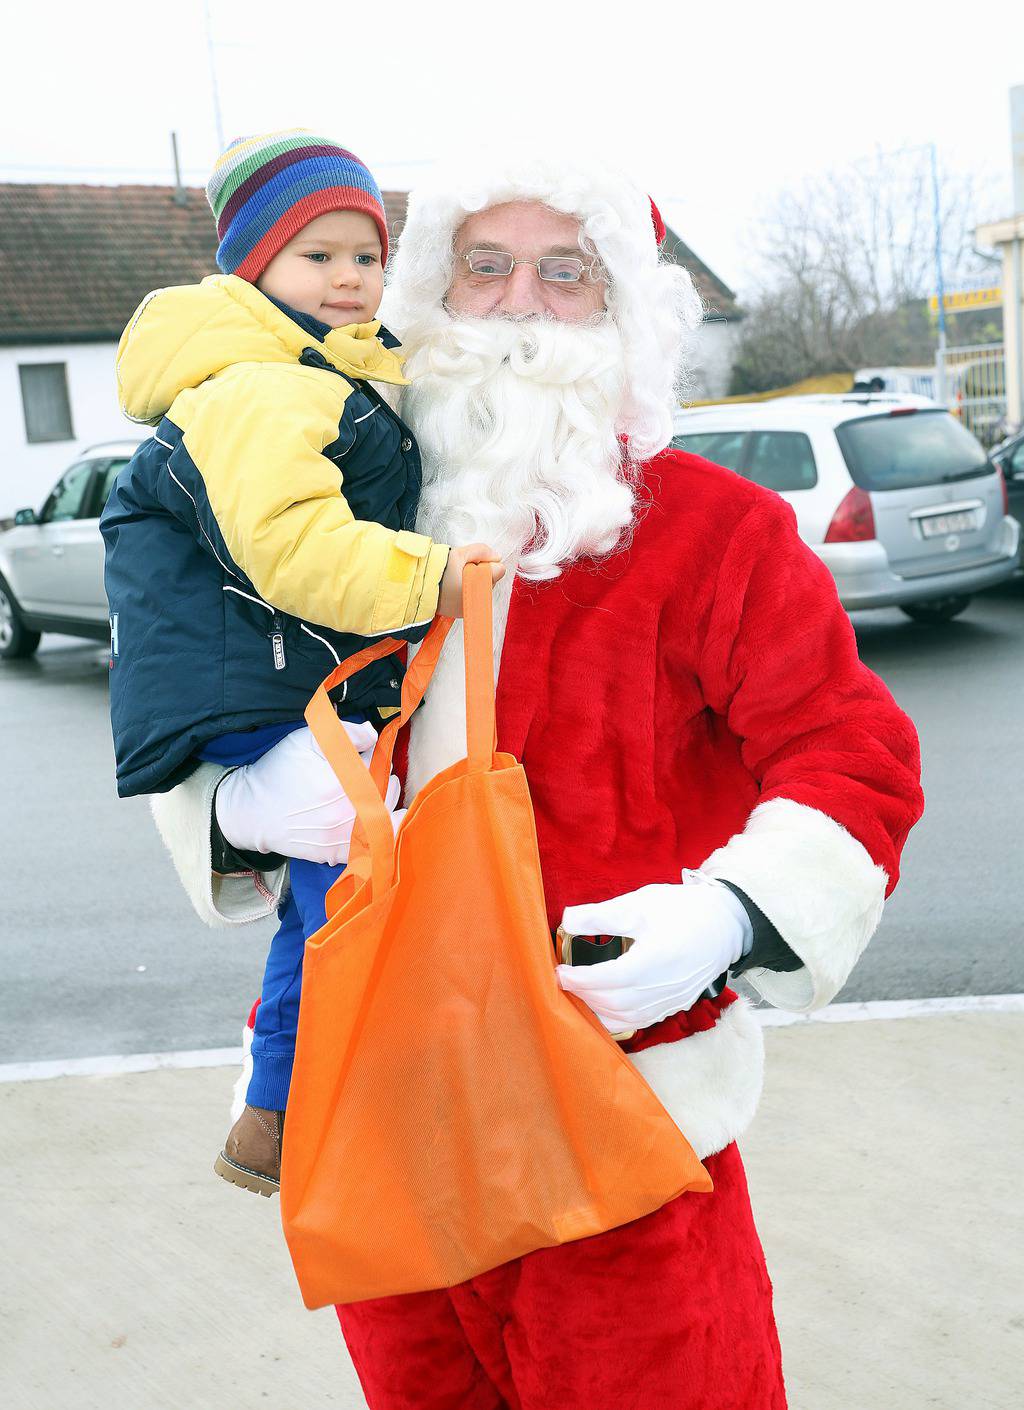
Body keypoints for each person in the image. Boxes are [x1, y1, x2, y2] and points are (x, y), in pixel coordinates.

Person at [148, 154, 923, 1408]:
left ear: (623, 313)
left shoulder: (717, 533)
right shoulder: (315, 507)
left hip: (621, 1120)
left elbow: (854, 751)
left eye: (566, 273)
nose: (518, 304)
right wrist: (231, 808)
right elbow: (177, 692)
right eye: (485, 266)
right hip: (376, 1115)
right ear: (428, 291)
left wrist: (730, 915)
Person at [100, 129, 501, 1198]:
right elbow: (290, 550)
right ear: (253, 267)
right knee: (352, 910)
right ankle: (335, 1114)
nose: (346, 278)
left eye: (363, 256)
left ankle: (272, 1121)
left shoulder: (317, 368)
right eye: (314, 255)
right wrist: (438, 580)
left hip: (264, 681)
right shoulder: (265, 385)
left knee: (327, 903)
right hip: (255, 684)